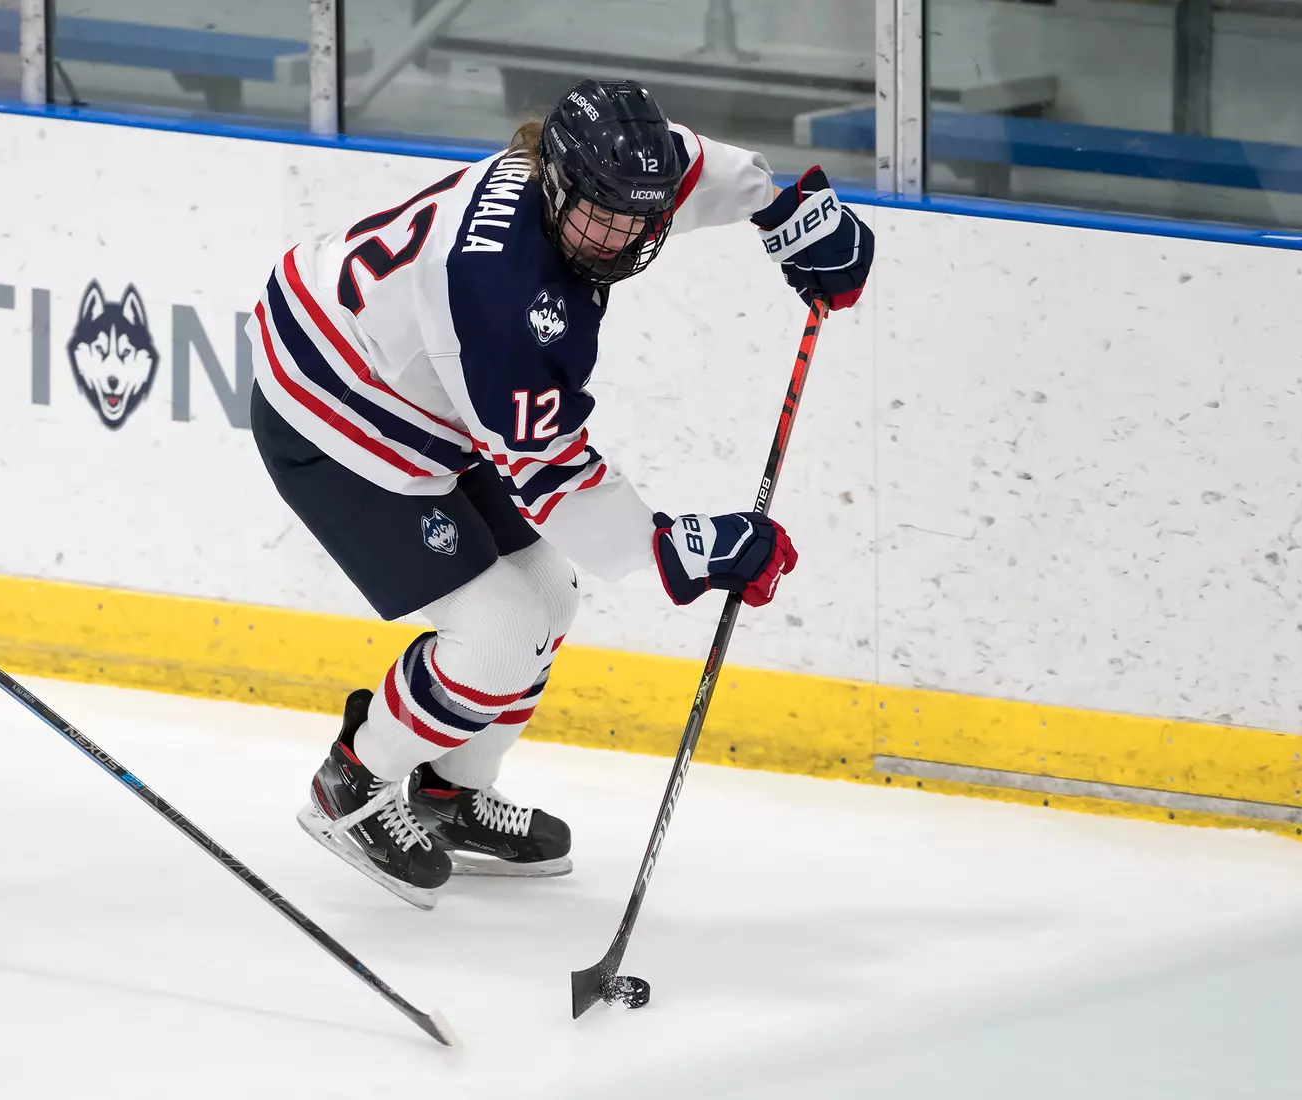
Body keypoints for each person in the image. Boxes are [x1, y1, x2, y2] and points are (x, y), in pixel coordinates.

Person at [247, 79, 873, 908]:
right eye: (601, 216)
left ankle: (449, 793)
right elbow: (551, 473)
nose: (618, 239)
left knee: (551, 597)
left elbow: (687, 170)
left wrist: (783, 209)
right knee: (501, 628)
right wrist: (681, 547)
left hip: (432, 388)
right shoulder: (502, 293)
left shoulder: (609, 178)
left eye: (637, 218)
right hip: (336, 409)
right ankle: (351, 786)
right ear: (553, 184)